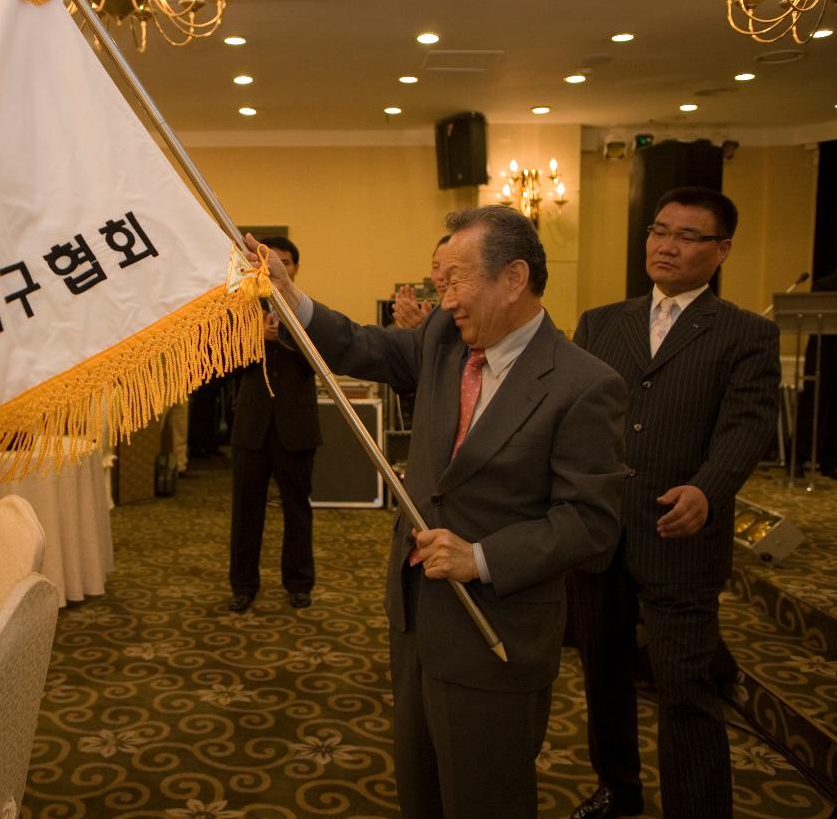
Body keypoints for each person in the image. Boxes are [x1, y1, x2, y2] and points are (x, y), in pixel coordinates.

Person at [253, 206, 628, 817]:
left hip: (497, 632)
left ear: (513, 278)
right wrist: (289, 293)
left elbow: (592, 525)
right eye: (438, 282)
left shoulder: (584, 384)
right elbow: (358, 344)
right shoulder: (443, 342)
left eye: (454, 280)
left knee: (487, 796)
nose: (443, 298)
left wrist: (481, 558)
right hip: (416, 618)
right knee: (421, 789)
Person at [566, 187, 781, 819]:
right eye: (660, 230)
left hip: (680, 533)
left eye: (687, 236)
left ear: (721, 251)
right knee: (604, 676)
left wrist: (709, 491)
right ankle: (618, 791)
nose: (666, 245)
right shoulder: (602, 322)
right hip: (602, 530)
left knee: (685, 686)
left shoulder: (746, 333)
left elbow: (746, 426)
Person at [228, 236, 321, 613]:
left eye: (286, 260)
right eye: (273, 259)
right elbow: (224, 365)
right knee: (245, 511)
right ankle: (242, 586)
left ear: (295, 267)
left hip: (296, 427)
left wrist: (283, 336)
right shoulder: (245, 310)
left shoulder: (310, 312)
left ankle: (299, 584)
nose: (280, 265)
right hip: (252, 426)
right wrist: (256, 339)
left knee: (298, 509)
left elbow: (323, 359)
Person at [798, 239, 837, 480]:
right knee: (812, 410)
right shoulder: (825, 285)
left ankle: (831, 462)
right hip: (824, 358)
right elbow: (829, 321)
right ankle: (799, 459)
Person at [391, 234, 451, 329]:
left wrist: (428, 329)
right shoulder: (436, 314)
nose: (440, 276)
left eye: (449, 267)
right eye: (436, 267)